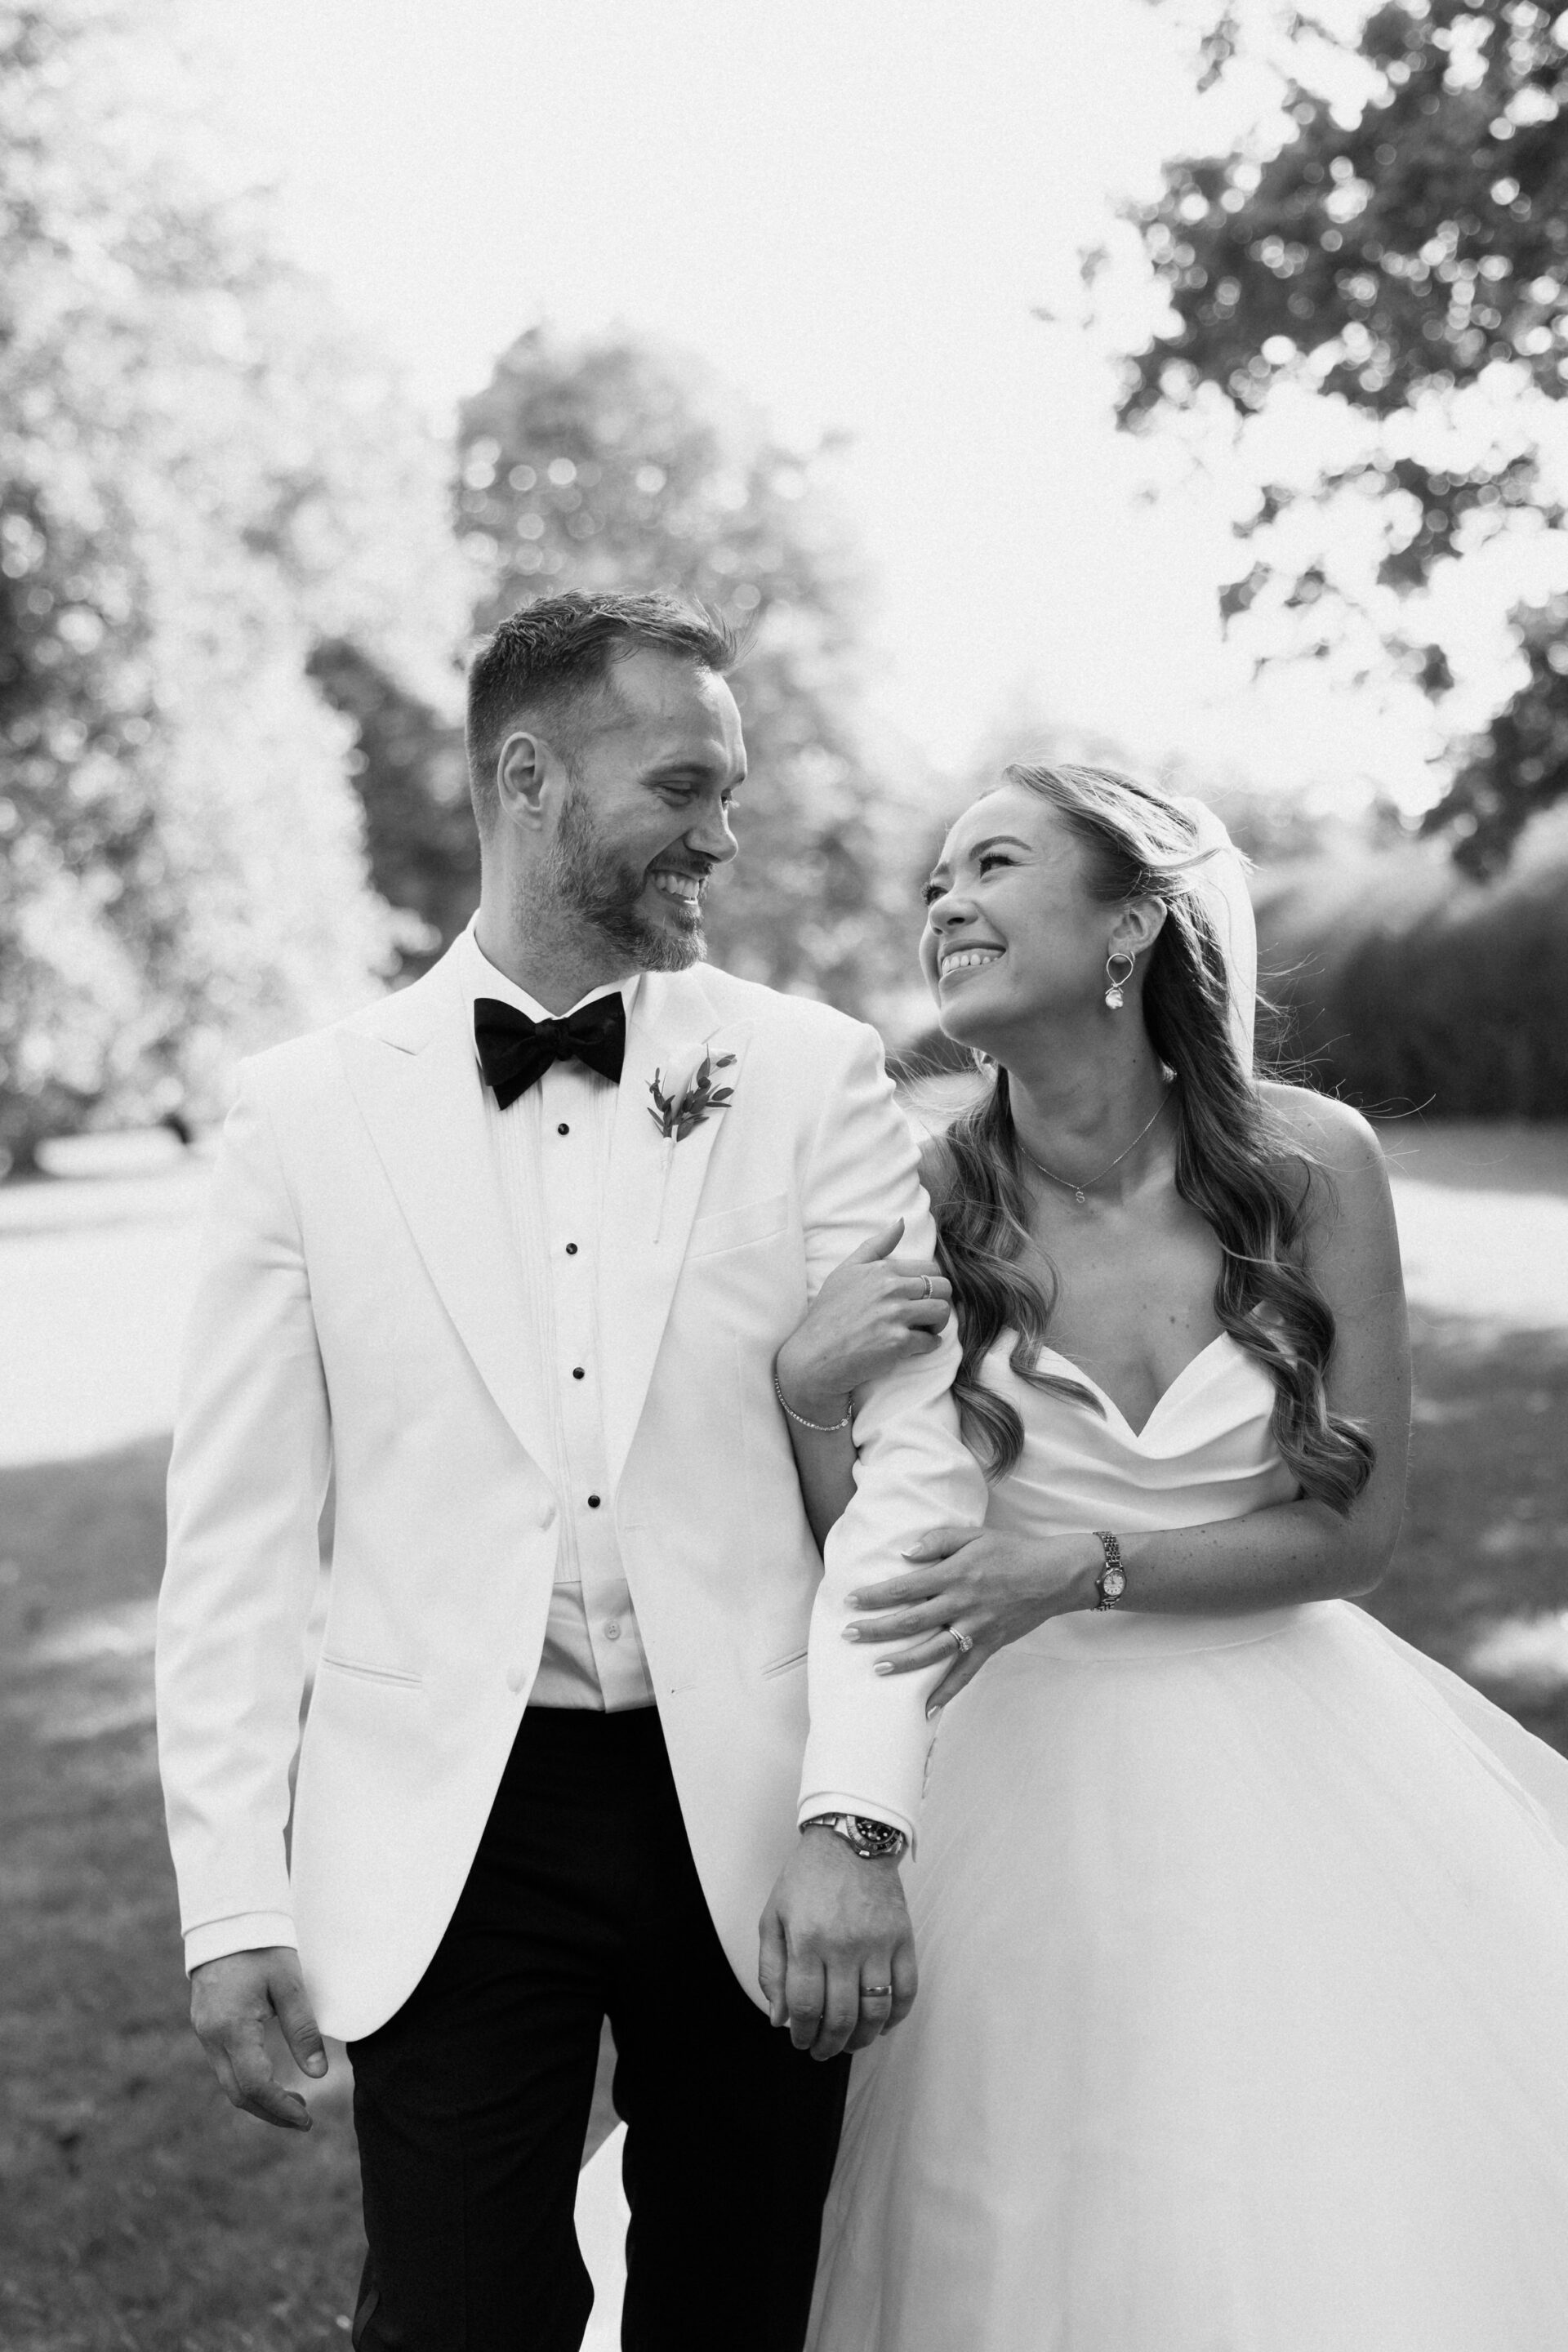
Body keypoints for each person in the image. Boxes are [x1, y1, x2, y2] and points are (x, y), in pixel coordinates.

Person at [154, 589, 987, 2352]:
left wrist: (856, 1815)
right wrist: (230, 1900)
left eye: (731, 789)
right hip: (450, 1824)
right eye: (683, 785)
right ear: (529, 779)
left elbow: (915, 1476)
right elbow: (235, 1545)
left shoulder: (813, 1074)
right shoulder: (300, 1114)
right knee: (458, 2320)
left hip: (753, 1804)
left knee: (740, 2313)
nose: (724, 834)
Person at [769, 762, 1568, 2351]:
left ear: (1130, 923)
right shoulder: (928, 1192)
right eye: (935, 883)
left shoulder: (1314, 1163)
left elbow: (1355, 1531)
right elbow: (878, 1540)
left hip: (1299, 1756)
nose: (945, 905)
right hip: (1020, 1787)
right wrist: (806, 1396)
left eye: (992, 866)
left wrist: (1083, 1566)